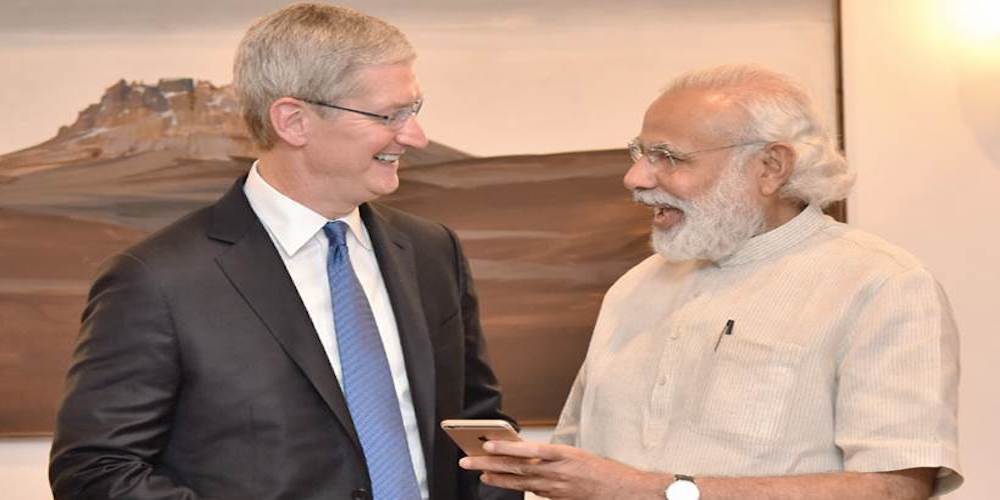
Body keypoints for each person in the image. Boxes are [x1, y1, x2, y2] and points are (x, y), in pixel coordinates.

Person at [49, 4, 520, 500]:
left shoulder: (430, 252)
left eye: (414, 110)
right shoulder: (158, 280)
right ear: (293, 122)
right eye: (389, 115)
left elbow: (476, 427)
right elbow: (97, 472)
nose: (415, 136)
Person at [461, 65, 961, 500]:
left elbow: (895, 487)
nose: (635, 177)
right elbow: (580, 459)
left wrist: (653, 492)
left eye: (668, 157)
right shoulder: (634, 288)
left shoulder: (882, 284)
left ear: (770, 167)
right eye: (639, 153)